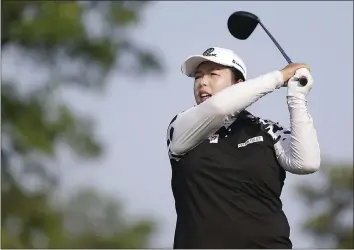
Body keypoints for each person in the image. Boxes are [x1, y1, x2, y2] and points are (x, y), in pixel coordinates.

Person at [166, 47, 321, 249]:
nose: (202, 82)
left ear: (238, 85)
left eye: (213, 74)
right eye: (198, 76)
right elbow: (219, 108)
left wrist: (297, 98)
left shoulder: (267, 130)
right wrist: (279, 77)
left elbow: (306, 163)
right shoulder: (181, 127)